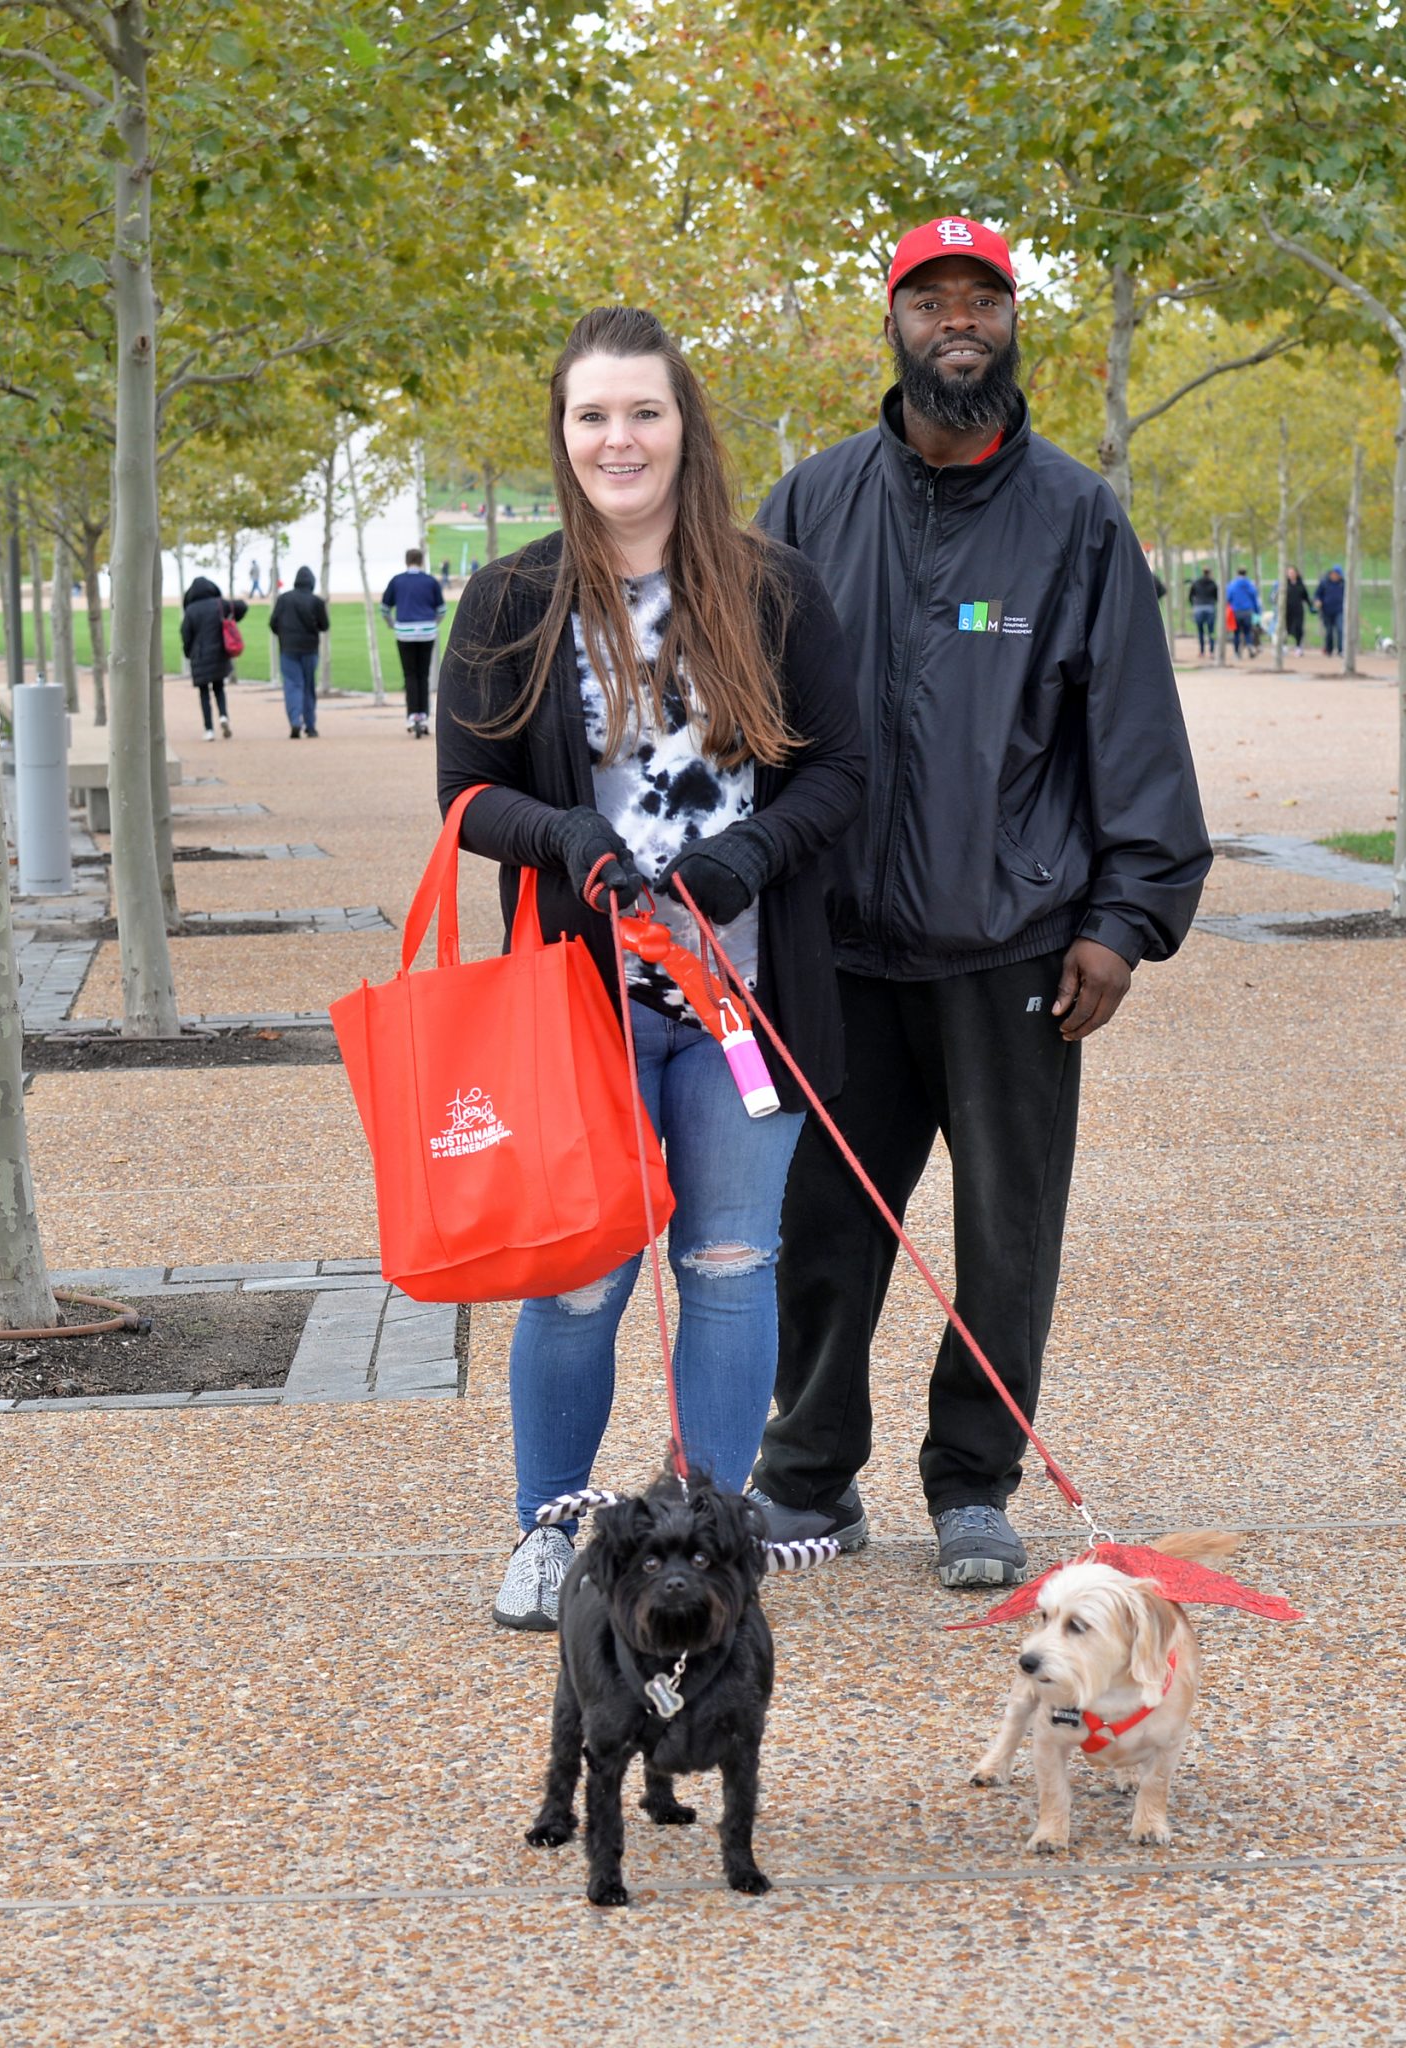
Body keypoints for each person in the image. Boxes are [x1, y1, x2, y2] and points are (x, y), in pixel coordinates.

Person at [746, 216, 1210, 1590]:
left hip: (1012, 946)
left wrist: (1123, 920)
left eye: (983, 299)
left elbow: (1133, 726)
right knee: (820, 1228)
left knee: (1006, 1237)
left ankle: (973, 1483)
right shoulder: (809, 504)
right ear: (891, 323)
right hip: (835, 950)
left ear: (1012, 322)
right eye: (930, 299)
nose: (959, 320)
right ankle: (806, 1475)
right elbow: (741, 710)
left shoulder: (1075, 515)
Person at [437, 306, 866, 1631]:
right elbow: (465, 794)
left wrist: (746, 857)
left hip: (745, 1006)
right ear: (562, 434)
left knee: (729, 1265)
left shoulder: (773, 588)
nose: (617, 439)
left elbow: (842, 772)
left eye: (643, 412)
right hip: (584, 1010)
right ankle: (550, 1530)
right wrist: (570, 839)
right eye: (592, 415)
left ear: (685, 427)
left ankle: (708, 1542)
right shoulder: (511, 599)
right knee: (578, 1275)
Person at [378, 548, 447, 738]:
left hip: (404, 633)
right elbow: (442, 610)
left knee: (409, 674)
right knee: (423, 674)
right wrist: (433, 624)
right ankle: (423, 715)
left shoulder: (397, 581)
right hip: (427, 632)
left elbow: (384, 608)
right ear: (422, 561)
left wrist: (392, 624)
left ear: (406, 561)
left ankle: (412, 714)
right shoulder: (430, 581)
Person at [177, 575, 246, 741]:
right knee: (219, 688)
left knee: (204, 693)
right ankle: (223, 716)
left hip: (199, 655)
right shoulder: (219, 604)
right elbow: (242, 606)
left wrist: (188, 652)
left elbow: (185, 635)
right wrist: (231, 618)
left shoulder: (191, 610)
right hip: (219, 653)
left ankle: (209, 729)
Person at [267, 565, 330, 738]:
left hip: (288, 648)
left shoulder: (284, 599)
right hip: (310, 649)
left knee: (293, 685)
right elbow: (325, 626)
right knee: (308, 687)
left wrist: (283, 634)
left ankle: (295, 720)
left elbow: (273, 623)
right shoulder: (316, 602)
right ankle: (310, 725)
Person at [1224, 565, 1261, 660]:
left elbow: (1228, 598)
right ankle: (1249, 646)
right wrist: (1257, 611)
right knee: (1247, 631)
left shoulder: (1232, 585)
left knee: (1236, 633)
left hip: (1236, 611)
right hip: (1248, 611)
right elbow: (1254, 598)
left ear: (1237, 573)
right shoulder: (1250, 585)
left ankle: (1237, 653)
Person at [1186, 567, 1219, 660]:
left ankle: (1201, 651)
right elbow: (1217, 597)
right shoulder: (1213, 583)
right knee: (1211, 631)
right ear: (1210, 573)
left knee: (1200, 631)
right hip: (1210, 608)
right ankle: (1211, 651)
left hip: (1198, 608)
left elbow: (1190, 596)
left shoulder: (1196, 583)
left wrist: (1193, 605)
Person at [1318, 564, 1347, 657]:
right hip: (1326, 611)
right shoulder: (1325, 583)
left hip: (1339, 610)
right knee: (1329, 631)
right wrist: (1318, 601)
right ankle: (1329, 649)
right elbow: (1318, 594)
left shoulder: (1343, 584)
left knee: (1340, 629)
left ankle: (1341, 650)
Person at [1283, 566, 1311, 652]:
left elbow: (1306, 597)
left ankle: (1298, 646)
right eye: (1289, 573)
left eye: (1292, 572)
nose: (1291, 574)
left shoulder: (1300, 585)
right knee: (1286, 628)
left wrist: (1311, 606)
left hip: (1298, 610)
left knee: (1298, 628)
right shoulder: (1284, 585)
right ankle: (1284, 646)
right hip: (1287, 611)